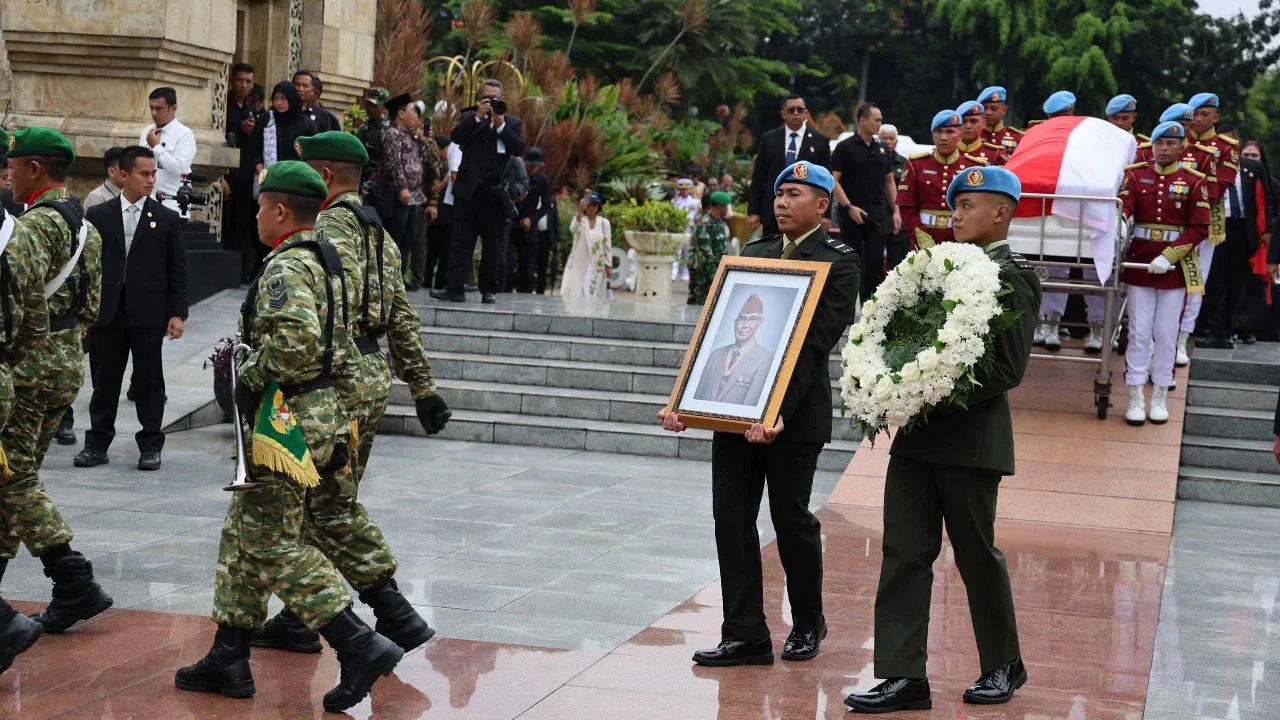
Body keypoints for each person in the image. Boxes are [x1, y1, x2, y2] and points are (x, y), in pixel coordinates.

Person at [174, 161, 402, 712]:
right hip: (317, 413)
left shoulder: (286, 269)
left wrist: (244, 372)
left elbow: (296, 347)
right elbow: (341, 342)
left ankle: (357, 641)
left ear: (279, 211)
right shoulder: (327, 261)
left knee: (274, 544)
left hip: (287, 423)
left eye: (258, 206)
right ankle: (229, 653)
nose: (254, 215)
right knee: (244, 536)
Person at [845, 165, 1038, 714]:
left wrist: (929, 387)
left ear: (1002, 211)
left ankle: (1003, 663)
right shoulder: (933, 270)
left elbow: (1007, 367)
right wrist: (895, 385)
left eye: (968, 205)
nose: (954, 214)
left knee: (976, 554)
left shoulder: (1013, 273)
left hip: (972, 440)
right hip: (918, 436)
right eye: (953, 205)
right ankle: (903, 675)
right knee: (903, 552)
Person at [248, 132, 449, 659]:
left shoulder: (328, 227)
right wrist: (421, 385)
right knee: (328, 503)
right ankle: (299, 618)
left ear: (328, 178)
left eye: (306, 168)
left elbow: (328, 310)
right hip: (369, 370)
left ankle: (390, 613)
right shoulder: (377, 228)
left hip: (333, 376)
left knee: (321, 507)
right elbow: (399, 314)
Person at [660, 160, 859, 668]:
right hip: (735, 414)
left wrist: (777, 412)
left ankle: (808, 623)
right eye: (779, 193)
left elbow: (814, 346)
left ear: (821, 205)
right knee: (730, 518)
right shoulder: (755, 253)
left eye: (795, 194)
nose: (782, 202)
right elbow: (717, 336)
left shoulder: (839, 261)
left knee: (790, 519)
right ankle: (744, 632)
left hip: (791, 419)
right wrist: (686, 399)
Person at [3, 127, 111, 634]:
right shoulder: (86, 227)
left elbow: (14, 302)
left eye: (14, 164)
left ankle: (74, 579)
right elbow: (92, 307)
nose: (9, 173)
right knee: (12, 474)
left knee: (13, 476)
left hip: (27, 364)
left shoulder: (33, 227)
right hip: (67, 358)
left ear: (34, 169)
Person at [76, 146, 187, 471]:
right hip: (108, 314)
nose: (152, 179)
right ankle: (97, 444)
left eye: (154, 173)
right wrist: (85, 311)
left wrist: (178, 312)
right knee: (105, 381)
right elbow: (88, 268)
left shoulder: (166, 219)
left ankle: (151, 444)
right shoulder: (99, 215)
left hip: (149, 313)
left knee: (150, 381)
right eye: (145, 174)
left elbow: (177, 269)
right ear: (124, 175)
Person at [1119, 121, 1212, 426]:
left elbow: (1200, 227)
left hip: (1174, 266)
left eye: (1171, 144)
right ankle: (1134, 394)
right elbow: (1125, 208)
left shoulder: (1193, 181)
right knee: (1139, 332)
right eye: (1159, 143)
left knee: (1166, 333)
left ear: (1181, 147)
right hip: (1140, 263)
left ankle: (1159, 394)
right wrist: (1119, 224)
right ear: (1153, 145)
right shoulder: (1136, 175)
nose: (1163, 149)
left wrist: (1170, 254)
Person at [431, 80, 525, 305]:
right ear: (480, 99)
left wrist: (500, 125)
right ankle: (454, 287)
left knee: (493, 246)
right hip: (468, 191)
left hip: (495, 194)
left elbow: (518, 148)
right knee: (461, 242)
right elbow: (457, 137)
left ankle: (489, 290)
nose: (491, 103)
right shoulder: (469, 119)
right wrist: (478, 117)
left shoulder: (512, 123)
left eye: (495, 99)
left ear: (502, 99)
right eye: (487, 99)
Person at [1184, 93, 1241, 350]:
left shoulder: (1226, 147)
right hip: (1168, 221)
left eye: (1204, 114)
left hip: (1206, 222)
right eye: (1194, 114)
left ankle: (1183, 336)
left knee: (1195, 280)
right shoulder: (1176, 140)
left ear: (1216, 117)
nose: (1197, 119)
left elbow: (1219, 186)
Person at [1201, 144, 1272, 346]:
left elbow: (1266, 200)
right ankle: (1213, 330)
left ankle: (1228, 331)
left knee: (1237, 283)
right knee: (1215, 282)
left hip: (1243, 230)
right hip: (1217, 227)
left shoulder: (1251, 168)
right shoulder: (1210, 165)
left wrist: (1266, 231)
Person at [831, 102, 900, 301]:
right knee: (851, 262)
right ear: (863, 120)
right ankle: (846, 309)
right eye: (876, 120)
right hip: (851, 213)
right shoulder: (845, 148)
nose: (880, 123)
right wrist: (848, 206)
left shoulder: (882, 149)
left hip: (877, 214)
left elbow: (889, 181)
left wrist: (896, 210)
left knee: (875, 262)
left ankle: (870, 311)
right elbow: (834, 180)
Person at [898, 110, 988, 250]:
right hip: (923, 238)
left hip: (960, 239)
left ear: (960, 134)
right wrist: (921, 237)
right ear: (933, 136)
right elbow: (906, 207)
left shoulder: (974, 167)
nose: (943, 137)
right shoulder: (916, 165)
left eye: (950, 131)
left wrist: (966, 238)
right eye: (939, 131)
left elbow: (978, 207)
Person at [748, 95, 832, 237]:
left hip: (806, 212)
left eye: (800, 110)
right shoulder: (769, 139)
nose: (796, 113)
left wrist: (826, 214)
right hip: (773, 210)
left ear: (806, 113)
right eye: (791, 110)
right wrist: (753, 211)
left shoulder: (820, 141)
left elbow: (826, 181)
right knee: (771, 254)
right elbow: (758, 178)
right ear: (783, 114)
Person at [377, 94, 428, 284]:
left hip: (413, 196)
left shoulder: (407, 134)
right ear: (401, 113)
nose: (415, 115)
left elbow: (419, 161)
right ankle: (387, 280)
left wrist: (422, 140)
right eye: (412, 111)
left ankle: (397, 279)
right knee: (394, 240)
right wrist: (402, 188)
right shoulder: (392, 133)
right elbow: (394, 163)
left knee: (408, 240)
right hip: (397, 196)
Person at [693, 293, 775, 403]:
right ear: (735, 323)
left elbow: (751, 406)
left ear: (759, 323)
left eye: (752, 319)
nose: (745, 325)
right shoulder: (716, 354)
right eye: (742, 319)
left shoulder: (765, 359)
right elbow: (697, 395)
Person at [224, 62, 261, 284]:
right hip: (228, 176)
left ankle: (242, 272)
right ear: (232, 80)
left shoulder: (252, 107)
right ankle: (226, 272)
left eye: (248, 81)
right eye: (240, 80)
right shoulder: (223, 106)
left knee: (246, 225)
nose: (244, 85)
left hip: (247, 176)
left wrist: (252, 132)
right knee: (228, 225)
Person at [139, 87, 197, 214]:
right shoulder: (146, 132)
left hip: (172, 205)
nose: (154, 113)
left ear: (173, 109)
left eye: (159, 108)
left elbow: (180, 168)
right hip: (146, 203)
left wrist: (156, 147)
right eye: (151, 108)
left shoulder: (184, 134)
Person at [250, 81, 318, 182]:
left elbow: (313, 155)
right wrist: (264, 175)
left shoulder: (306, 125)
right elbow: (255, 152)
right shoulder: (266, 120)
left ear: (291, 98)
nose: (278, 103)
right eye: (275, 98)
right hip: (268, 181)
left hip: (297, 181)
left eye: (283, 98)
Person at [560, 191, 611, 300]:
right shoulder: (579, 220)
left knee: (594, 294)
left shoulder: (604, 223)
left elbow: (607, 244)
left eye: (594, 205)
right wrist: (579, 211)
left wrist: (608, 264)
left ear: (598, 207)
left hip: (596, 265)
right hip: (579, 264)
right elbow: (573, 228)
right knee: (577, 294)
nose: (591, 208)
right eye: (589, 205)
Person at [516, 147, 554, 294]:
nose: (532, 169)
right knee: (506, 261)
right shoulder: (516, 175)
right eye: (530, 166)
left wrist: (532, 219)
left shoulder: (542, 181)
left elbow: (546, 205)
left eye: (535, 166)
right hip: (513, 223)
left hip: (529, 227)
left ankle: (524, 295)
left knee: (527, 266)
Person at [688, 191, 732, 304]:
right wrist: (714, 276)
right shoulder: (705, 223)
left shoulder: (718, 223)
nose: (727, 208)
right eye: (726, 206)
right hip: (703, 273)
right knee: (700, 304)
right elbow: (706, 252)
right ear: (719, 207)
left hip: (715, 270)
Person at [425, 136, 456, 291]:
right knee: (430, 254)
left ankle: (440, 284)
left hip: (448, 217)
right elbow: (432, 188)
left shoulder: (450, 166)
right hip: (434, 218)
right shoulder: (435, 168)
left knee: (445, 255)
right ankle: (425, 282)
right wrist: (445, 180)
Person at [879, 124, 911, 271]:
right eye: (884, 138)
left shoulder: (905, 163)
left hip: (899, 221)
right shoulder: (873, 160)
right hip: (877, 218)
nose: (888, 142)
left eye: (891, 138)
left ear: (896, 141)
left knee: (898, 264)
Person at [357, 87, 391, 191]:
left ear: (384, 107)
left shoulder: (388, 130)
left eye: (374, 105)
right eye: (368, 104)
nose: (369, 108)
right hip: (360, 177)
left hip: (379, 182)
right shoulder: (364, 128)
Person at [978, 86, 1024, 156]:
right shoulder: (974, 137)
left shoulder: (1017, 138)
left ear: (1004, 110)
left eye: (994, 108)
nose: (988, 113)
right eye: (985, 108)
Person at [957, 101, 1006, 166]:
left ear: (983, 123)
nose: (968, 126)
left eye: (974, 121)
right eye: (963, 121)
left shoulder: (995, 155)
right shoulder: (947, 153)